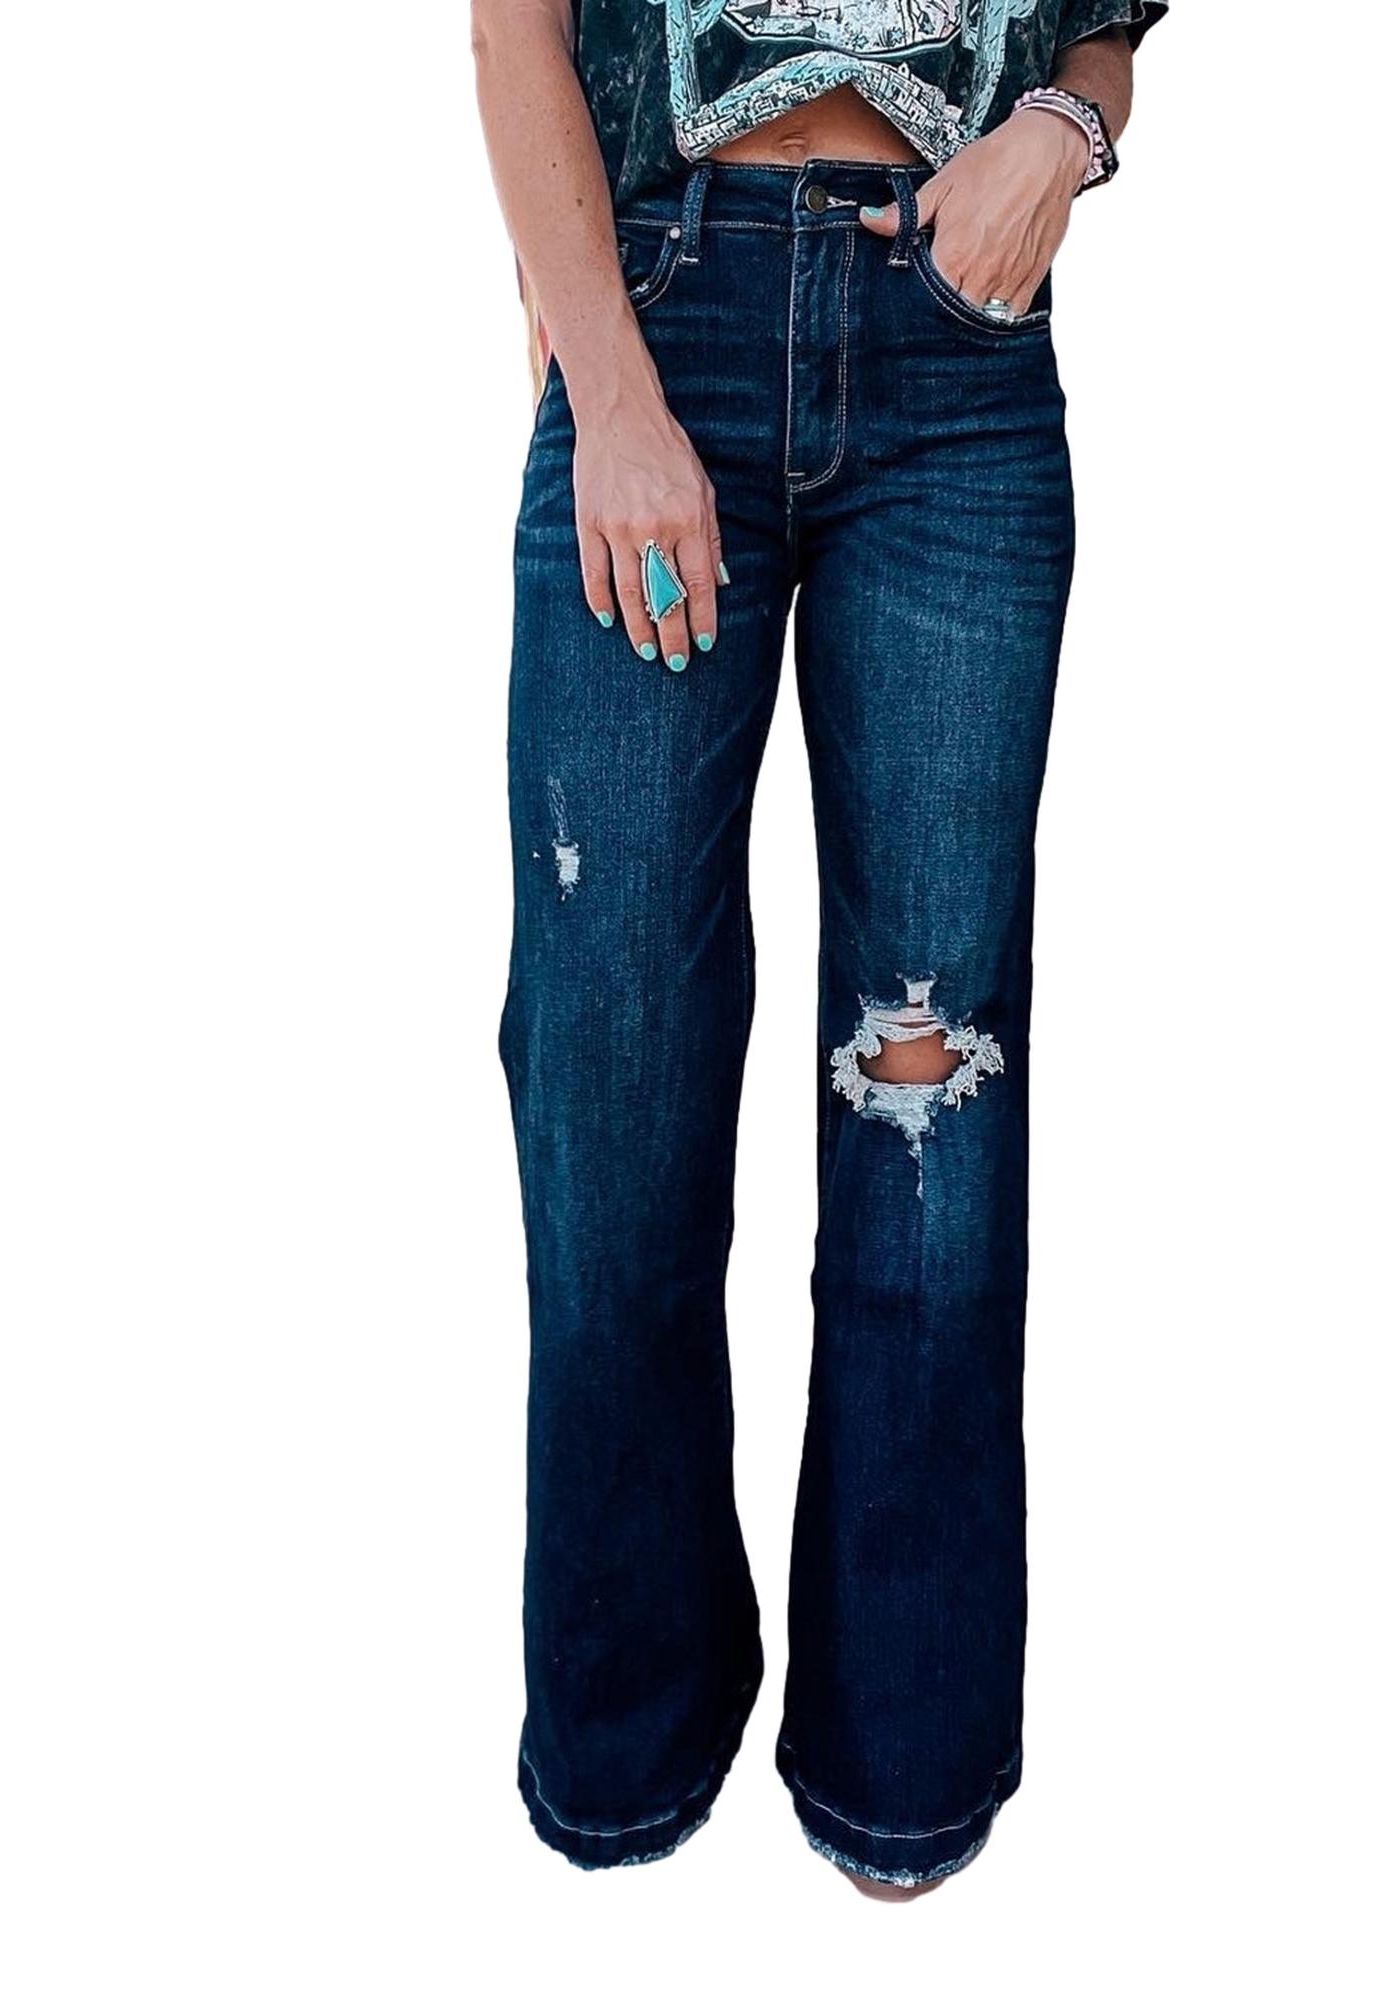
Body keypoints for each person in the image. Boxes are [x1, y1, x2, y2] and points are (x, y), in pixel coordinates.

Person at [474, 0, 1166, 1898]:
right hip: (662, 326)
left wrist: (1064, 135)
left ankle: (901, 1759)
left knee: (926, 1092)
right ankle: (629, 1736)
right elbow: (514, 31)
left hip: (957, 366)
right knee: (608, 1083)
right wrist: (609, 392)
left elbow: (1109, 21)